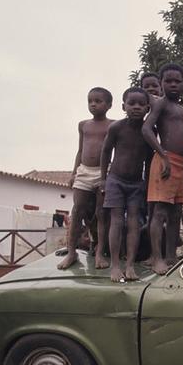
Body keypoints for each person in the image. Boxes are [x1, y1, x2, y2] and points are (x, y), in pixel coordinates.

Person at [58, 87, 114, 270]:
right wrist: (73, 172)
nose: (93, 104)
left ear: (109, 105)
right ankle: (71, 252)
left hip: (103, 172)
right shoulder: (83, 125)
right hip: (84, 171)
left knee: (101, 214)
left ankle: (99, 252)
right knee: (77, 211)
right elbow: (80, 150)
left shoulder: (113, 125)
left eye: (98, 101)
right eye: (90, 101)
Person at [100, 87, 152, 282]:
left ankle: (129, 265)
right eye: (132, 103)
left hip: (136, 183)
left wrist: (147, 183)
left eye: (141, 104)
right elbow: (106, 151)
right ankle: (115, 265)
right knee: (116, 221)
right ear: (124, 106)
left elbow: (149, 159)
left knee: (134, 223)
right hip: (116, 180)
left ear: (147, 108)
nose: (136, 107)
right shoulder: (116, 128)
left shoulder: (148, 131)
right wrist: (103, 178)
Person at [142, 64, 183, 275]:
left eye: (177, 81)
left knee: (176, 212)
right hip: (165, 161)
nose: (173, 84)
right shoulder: (160, 104)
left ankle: (171, 256)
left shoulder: (181, 108)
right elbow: (146, 129)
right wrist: (162, 155)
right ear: (161, 84)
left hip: (180, 163)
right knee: (160, 211)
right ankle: (157, 258)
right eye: (168, 81)